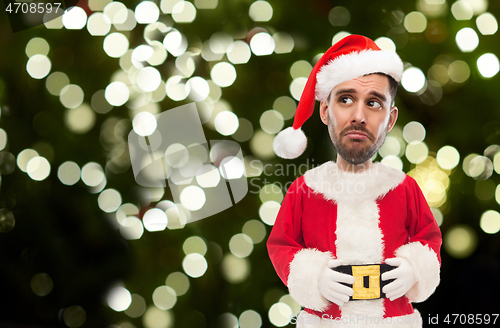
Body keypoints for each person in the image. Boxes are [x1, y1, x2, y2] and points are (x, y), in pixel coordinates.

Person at [267, 35, 442, 328]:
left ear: (390, 118)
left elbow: (429, 239)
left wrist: (415, 269)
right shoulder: (304, 190)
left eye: (374, 103)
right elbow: (281, 245)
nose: (358, 116)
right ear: (325, 110)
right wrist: (313, 276)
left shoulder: (404, 189)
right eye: (345, 99)